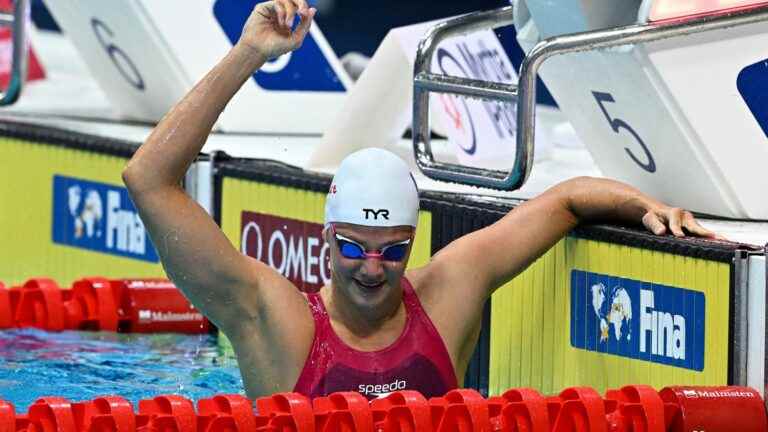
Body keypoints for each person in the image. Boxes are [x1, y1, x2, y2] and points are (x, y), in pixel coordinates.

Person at [122, 0, 718, 399]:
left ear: (414, 242)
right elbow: (149, 178)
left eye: (393, 249)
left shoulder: (449, 292)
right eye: (355, 246)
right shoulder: (273, 319)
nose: (373, 268)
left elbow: (564, 201)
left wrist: (642, 203)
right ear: (327, 237)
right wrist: (248, 54)